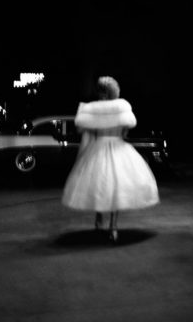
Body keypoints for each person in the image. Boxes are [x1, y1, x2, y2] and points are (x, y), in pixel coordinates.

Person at [62, 76, 159, 243]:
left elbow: (86, 132)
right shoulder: (122, 107)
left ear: (100, 91)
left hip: (97, 149)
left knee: (99, 185)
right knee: (117, 189)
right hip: (118, 148)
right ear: (114, 91)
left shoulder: (91, 110)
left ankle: (99, 217)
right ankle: (113, 227)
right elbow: (125, 132)